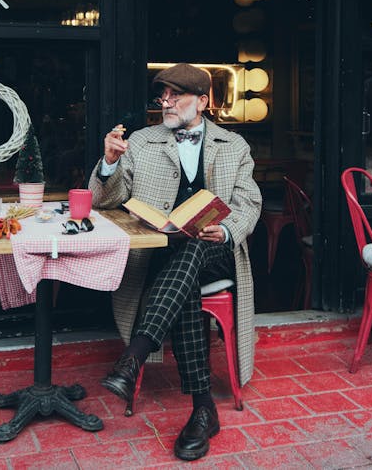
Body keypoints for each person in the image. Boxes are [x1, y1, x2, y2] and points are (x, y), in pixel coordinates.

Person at [88, 63, 261, 462]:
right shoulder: (143, 141)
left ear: (202, 102)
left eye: (174, 95)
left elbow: (249, 202)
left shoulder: (234, 146)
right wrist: (109, 163)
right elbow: (106, 200)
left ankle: (133, 356)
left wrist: (227, 230)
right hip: (160, 254)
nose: (164, 102)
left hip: (217, 250)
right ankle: (203, 409)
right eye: (162, 95)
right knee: (184, 275)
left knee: (197, 245)